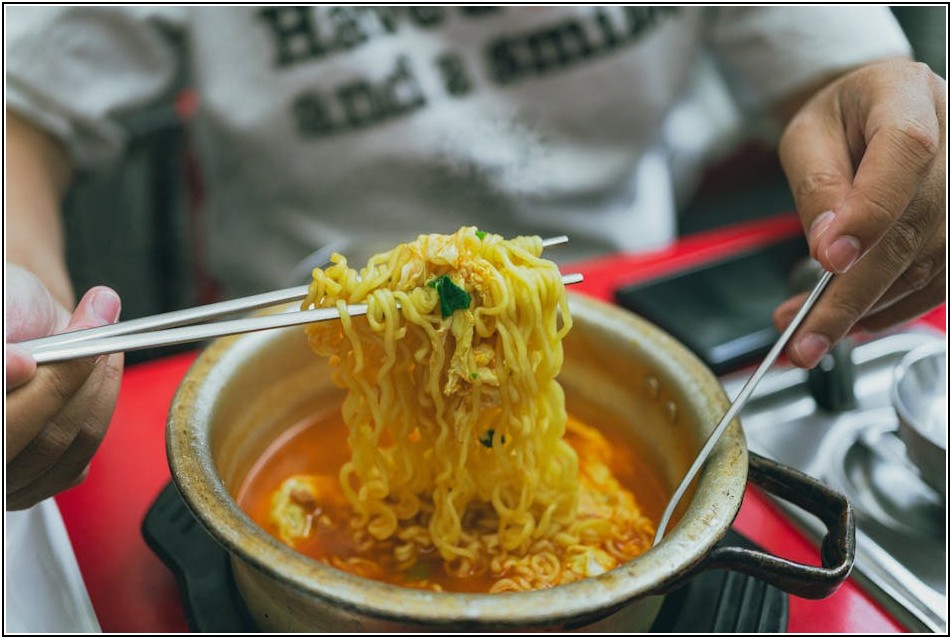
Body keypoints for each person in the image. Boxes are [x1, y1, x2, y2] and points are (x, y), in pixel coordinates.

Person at [3, 5, 946, 629]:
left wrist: (885, 118)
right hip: (308, 313)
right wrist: (19, 287)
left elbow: (839, 75)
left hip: (609, 291)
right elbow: (22, 102)